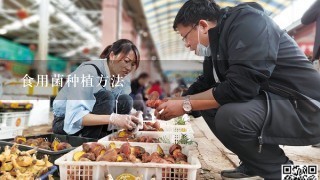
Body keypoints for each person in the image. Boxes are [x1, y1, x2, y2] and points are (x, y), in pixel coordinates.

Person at [153, 1, 320, 179]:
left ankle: (296, 175)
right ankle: (254, 162)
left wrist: (187, 104)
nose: (186, 44)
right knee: (207, 104)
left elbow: (241, 86)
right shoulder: (217, 46)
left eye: (184, 36)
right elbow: (206, 83)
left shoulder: (249, 23)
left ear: (202, 26)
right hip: (279, 104)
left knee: (231, 117)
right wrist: (176, 102)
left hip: (306, 108)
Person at [52, 39, 141, 139]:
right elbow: (74, 117)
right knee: (106, 97)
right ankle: (86, 143)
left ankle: (104, 138)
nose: (129, 68)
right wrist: (113, 118)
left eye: (133, 64)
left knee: (126, 100)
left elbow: (119, 104)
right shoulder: (88, 72)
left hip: (93, 122)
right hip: (65, 123)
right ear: (112, 56)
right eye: (126, 61)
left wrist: (134, 117)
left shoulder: (121, 78)